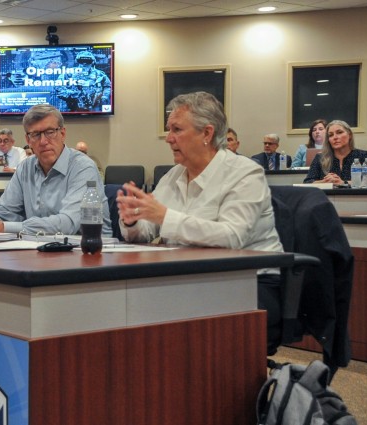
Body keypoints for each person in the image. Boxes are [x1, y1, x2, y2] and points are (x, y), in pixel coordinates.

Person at [116, 91, 284, 354]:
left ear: (207, 133)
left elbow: (232, 237)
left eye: (176, 129)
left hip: (248, 284)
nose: (168, 138)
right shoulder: (173, 176)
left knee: (163, 329)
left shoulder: (245, 174)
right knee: (122, 310)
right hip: (187, 281)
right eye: (168, 130)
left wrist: (163, 216)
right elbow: (147, 233)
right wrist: (133, 221)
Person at [0, 104, 112, 236]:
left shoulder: (83, 167)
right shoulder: (25, 167)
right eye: (36, 135)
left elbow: (68, 223)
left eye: (50, 132)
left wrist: (1, 227)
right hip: (43, 250)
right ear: (28, 140)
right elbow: (5, 211)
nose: (43, 141)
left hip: (90, 254)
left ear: (62, 133)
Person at [303, 120, 367, 185]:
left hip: (357, 198)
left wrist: (343, 183)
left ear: (349, 135)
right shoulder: (320, 157)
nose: (335, 137)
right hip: (326, 198)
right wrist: (324, 182)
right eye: (330, 135)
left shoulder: (364, 156)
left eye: (339, 132)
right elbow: (308, 182)